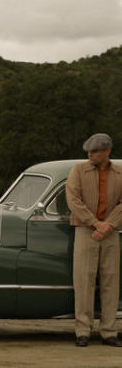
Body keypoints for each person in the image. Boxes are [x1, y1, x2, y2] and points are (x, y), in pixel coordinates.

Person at [66, 132, 122, 347]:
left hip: (111, 232)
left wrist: (108, 225)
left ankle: (109, 332)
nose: (90, 154)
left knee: (110, 281)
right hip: (85, 230)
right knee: (83, 281)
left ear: (107, 151)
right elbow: (73, 199)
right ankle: (83, 330)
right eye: (89, 150)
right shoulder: (78, 170)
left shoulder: (119, 173)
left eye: (95, 151)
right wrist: (95, 223)